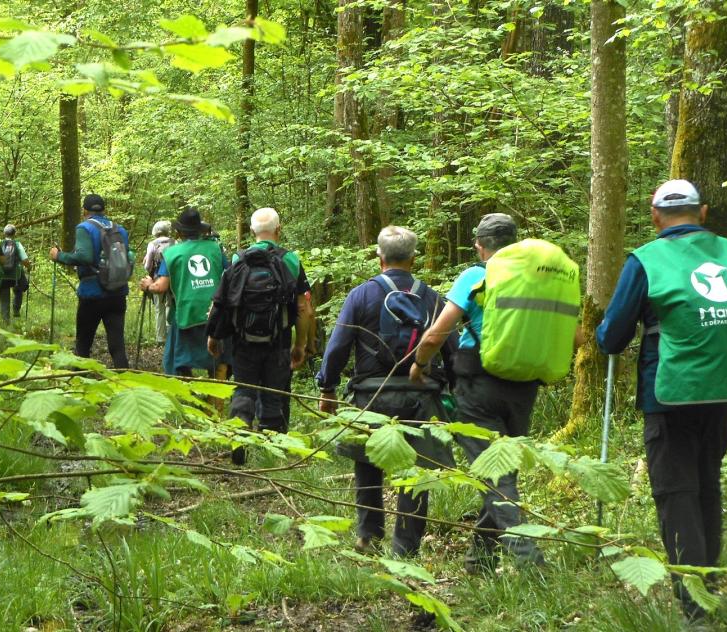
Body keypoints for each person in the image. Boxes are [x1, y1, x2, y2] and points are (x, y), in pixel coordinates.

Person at [596, 179, 727, 620]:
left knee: (676, 491)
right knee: (706, 486)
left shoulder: (646, 260)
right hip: (726, 389)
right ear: (703, 211)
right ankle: (706, 587)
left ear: (655, 215)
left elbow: (613, 337)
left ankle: (695, 608)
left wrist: (604, 335)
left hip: (671, 392)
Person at [409, 213, 546, 571]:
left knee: (495, 474)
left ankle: (529, 560)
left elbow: (437, 333)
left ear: (481, 247)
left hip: (479, 387)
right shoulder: (535, 278)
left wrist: (419, 365)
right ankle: (479, 560)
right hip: (524, 388)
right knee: (501, 471)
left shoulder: (475, 276)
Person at [316, 226, 457, 557]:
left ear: (379, 257)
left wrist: (328, 387)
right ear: (414, 259)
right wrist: (455, 394)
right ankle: (405, 547)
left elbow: (337, 347)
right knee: (417, 470)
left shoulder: (361, 295)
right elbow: (451, 351)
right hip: (421, 396)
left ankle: (368, 534)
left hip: (370, 395)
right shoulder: (434, 299)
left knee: (368, 460)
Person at [207, 207, 315, 464]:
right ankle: (271, 453)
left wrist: (213, 336)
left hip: (242, 341)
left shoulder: (237, 260)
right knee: (273, 392)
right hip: (278, 340)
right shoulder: (290, 260)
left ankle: (240, 435)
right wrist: (301, 344)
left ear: (253, 231)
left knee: (244, 389)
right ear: (278, 229)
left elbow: (221, 301)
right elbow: (303, 308)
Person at [139, 208, 227, 377]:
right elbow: (230, 274)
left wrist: (149, 285)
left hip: (186, 313)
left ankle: (189, 394)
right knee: (217, 360)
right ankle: (216, 400)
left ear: (179, 233)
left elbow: (161, 287)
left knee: (175, 362)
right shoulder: (215, 248)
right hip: (215, 313)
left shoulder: (172, 253)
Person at [50, 194, 132, 368]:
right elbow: (128, 257)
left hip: (92, 294)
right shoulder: (120, 230)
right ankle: (126, 384)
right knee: (117, 345)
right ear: (104, 210)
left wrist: (59, 256)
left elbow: (84, 257)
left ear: (84, 211)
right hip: (117, 292)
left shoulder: (84, 228)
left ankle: (78, 381)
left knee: (83, 344)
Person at [143, 220, 175, 345]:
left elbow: (147, 266)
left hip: (157, 279)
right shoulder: (174, 242)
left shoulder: (152, 244)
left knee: (159, 308)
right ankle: (170, 332)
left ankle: (160, 337)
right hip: (173, 279)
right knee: (171, 305)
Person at [0, 223, 31, 324]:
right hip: (15, 276)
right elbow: (25, 260)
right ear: (14, 234)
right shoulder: (17, 244)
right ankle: (16, 311)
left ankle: (5, 320)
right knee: (19, 290)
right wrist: (29, 267)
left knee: (4, 297)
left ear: (4, 233)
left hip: (2, 275)